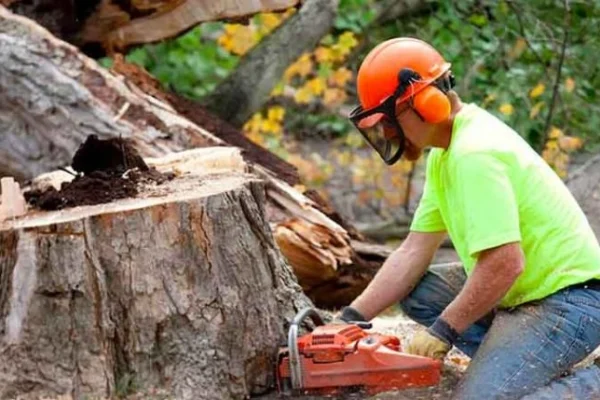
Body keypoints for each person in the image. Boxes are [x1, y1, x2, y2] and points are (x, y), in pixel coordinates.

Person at [341, 37, 600, 399]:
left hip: (569, 299)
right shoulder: (445, 153)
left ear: (425, 103)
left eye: (389, 120)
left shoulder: (474, 153)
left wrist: (443, 330)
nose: (386, 132)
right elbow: (413, 251)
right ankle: (519, 366)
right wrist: (349, 318)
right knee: (419, 291)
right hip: (524, 290)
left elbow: (505, 263)